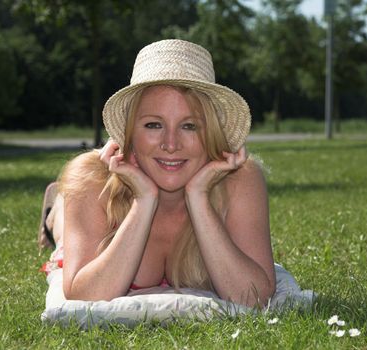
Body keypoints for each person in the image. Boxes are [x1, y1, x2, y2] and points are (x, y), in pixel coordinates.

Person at [39, 39, 276, 307]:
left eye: (189, 126)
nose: (171, 144)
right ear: (129, 132)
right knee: (63, 237)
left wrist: (198, 196)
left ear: (210, 132)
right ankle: (56, 210)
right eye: (153, 125)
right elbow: (85, 296)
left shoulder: (238, 178)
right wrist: (143, 200)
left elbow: (253, 297)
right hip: (99, 193)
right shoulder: (92, 179)